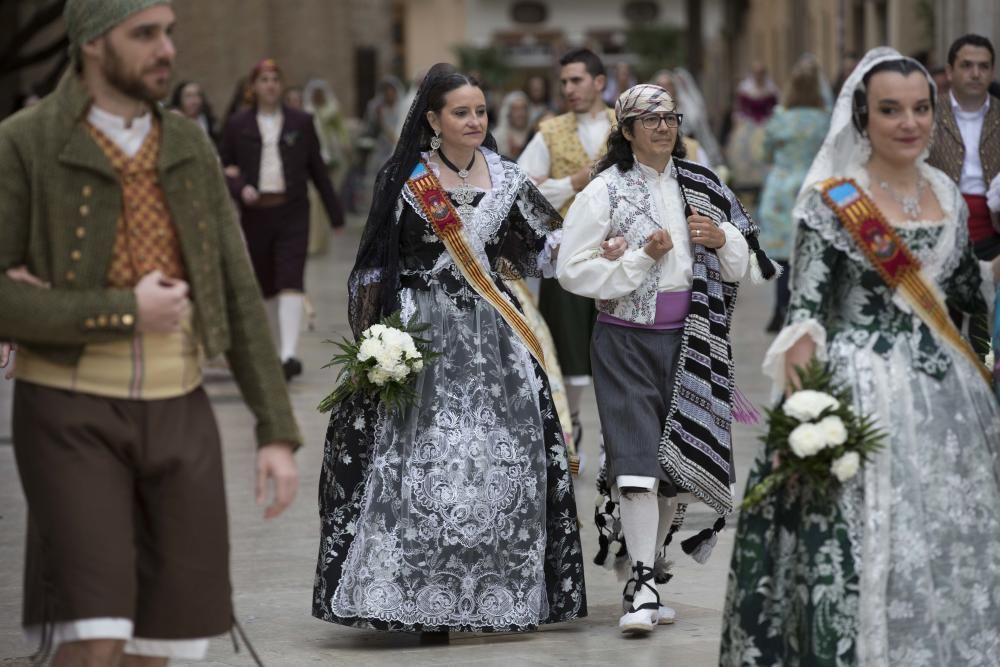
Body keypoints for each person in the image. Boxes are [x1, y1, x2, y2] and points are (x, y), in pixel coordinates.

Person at [0, 1, 301, 664]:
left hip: (180, 409)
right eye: (144, 35)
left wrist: (275, 430)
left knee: (162, 638)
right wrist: (121, 311)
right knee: (94, 629)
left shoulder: (189, 142)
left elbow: (238, 290)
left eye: (168, 32)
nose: (166, 49)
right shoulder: (25, 141)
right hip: (67, 411)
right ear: (93, 46)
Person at [721, 48, 1000, 666]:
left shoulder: (948, 193)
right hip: (856, 391)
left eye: (922, 109)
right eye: (891, 110)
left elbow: (964, 302)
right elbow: (808, 311)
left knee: (945, 544)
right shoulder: (832, 199)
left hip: (947, 403)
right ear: (862, 117)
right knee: (861, 546)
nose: (910, 123)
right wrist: (804, 414)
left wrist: (988, 364)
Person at [312, 64, 587, 638]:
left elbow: (538, 252)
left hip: (494, 340)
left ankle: (495, 595)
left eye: (480, 112)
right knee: (422, 466)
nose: (475, 121)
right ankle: (418, 597)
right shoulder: (406, 179)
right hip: (424, 338)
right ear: (433, 120)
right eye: (462, 112)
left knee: (499, 464)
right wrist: (376, 342)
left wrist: (595, 244)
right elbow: (373, 267)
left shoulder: (508, 178)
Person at [558, 83, 771, 636]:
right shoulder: (603, 190)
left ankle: (646, 578)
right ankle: (646, 585)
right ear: (626, 132)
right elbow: (570, 269)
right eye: (649, 120)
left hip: (693, 342)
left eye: (669, 118)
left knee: (674, 469)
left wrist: (721, 235)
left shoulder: (701, 183)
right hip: (625, 340)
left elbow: (744, 262)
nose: (662, 127)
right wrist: (634, 260)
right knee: (635, 463)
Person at [220, 58, 344, 381]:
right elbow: (224, 167)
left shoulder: (301, 122)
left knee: (291, 277)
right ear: (253, 87)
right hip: (256, 212)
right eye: (264, 79)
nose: (271, 85)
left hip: (293, 210)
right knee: (266, 282)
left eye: (275, 79)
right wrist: (240, 188)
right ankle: (276, 350)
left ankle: (289, 353)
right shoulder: (237, 125)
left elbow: (317, 168)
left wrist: (335, 214)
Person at [518, 48, 615, 449]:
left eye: (576, 80)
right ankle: (570, 426)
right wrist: (568, 184)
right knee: (569, 354)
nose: (569, 89)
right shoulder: (549, 131)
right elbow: (521, 190)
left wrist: (552, 186)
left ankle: (621, 433)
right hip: (569, 256)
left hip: (622, 258)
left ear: (599, 82)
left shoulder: (624, 124)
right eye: (563, 82)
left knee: (620, 350)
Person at [758, 56, 830, 332]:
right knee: (810, 251)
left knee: (783, 255)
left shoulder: (780, 118)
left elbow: (765, 152)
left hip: (781, 188)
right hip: (814, 186)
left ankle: (780, 307)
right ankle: (808, 309)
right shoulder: (824, 120)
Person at [928, 34, 1000, 261]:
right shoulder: (927, 112)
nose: (976, 74)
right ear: (950, 72)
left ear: (992, 72)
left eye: (983, 67)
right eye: (967, 65)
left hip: (995, 238)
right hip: (938, 237)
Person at [303, 78, 353, 256]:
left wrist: (345, 147)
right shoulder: (307, 113)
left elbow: (341, 132)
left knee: (327, 199)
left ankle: (322, 242)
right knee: (314, 200)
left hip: (332, 159)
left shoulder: (333, 111)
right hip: (314, 160)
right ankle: (313, 242)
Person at [725, 61, 779, 195]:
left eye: (761, 73)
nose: (759, 76)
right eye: (756, 73)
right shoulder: (745, 89)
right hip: (749, 123)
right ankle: (747, 183)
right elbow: (741, 109)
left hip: (766, 123)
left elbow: (774, 108)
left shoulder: (771, 89)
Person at [492, 90, 532, 160]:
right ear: (508, 112)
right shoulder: (497, 137)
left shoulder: (533, 134)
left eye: (523, 108)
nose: (520, 113)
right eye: (516, 109)